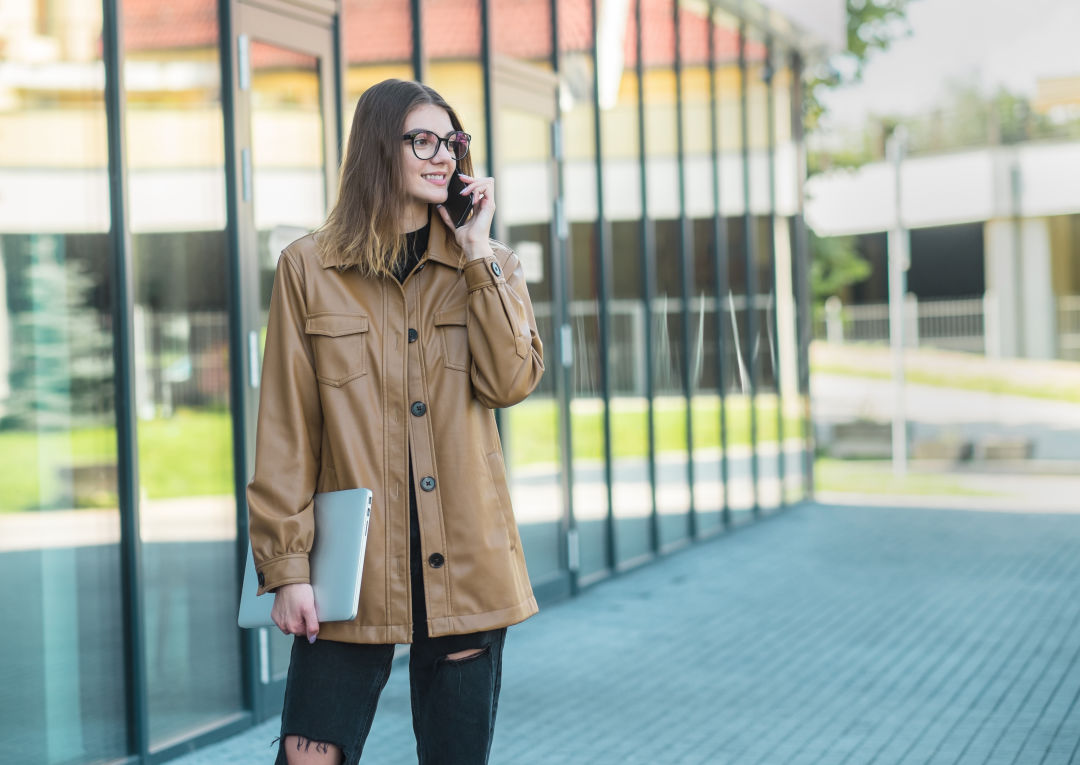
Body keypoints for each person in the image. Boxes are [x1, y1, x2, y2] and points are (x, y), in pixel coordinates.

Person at [246, 78, 545, 765]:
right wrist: (287, 568)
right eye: (424, 140)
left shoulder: (491, 266)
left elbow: (512, 381)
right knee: (306, 755)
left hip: (465, 567)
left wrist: (475, 255)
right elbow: (288, 431)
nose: (443, 155)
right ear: (380, 149)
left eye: (452, 141)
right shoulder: (308, 269)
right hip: (350, 571)